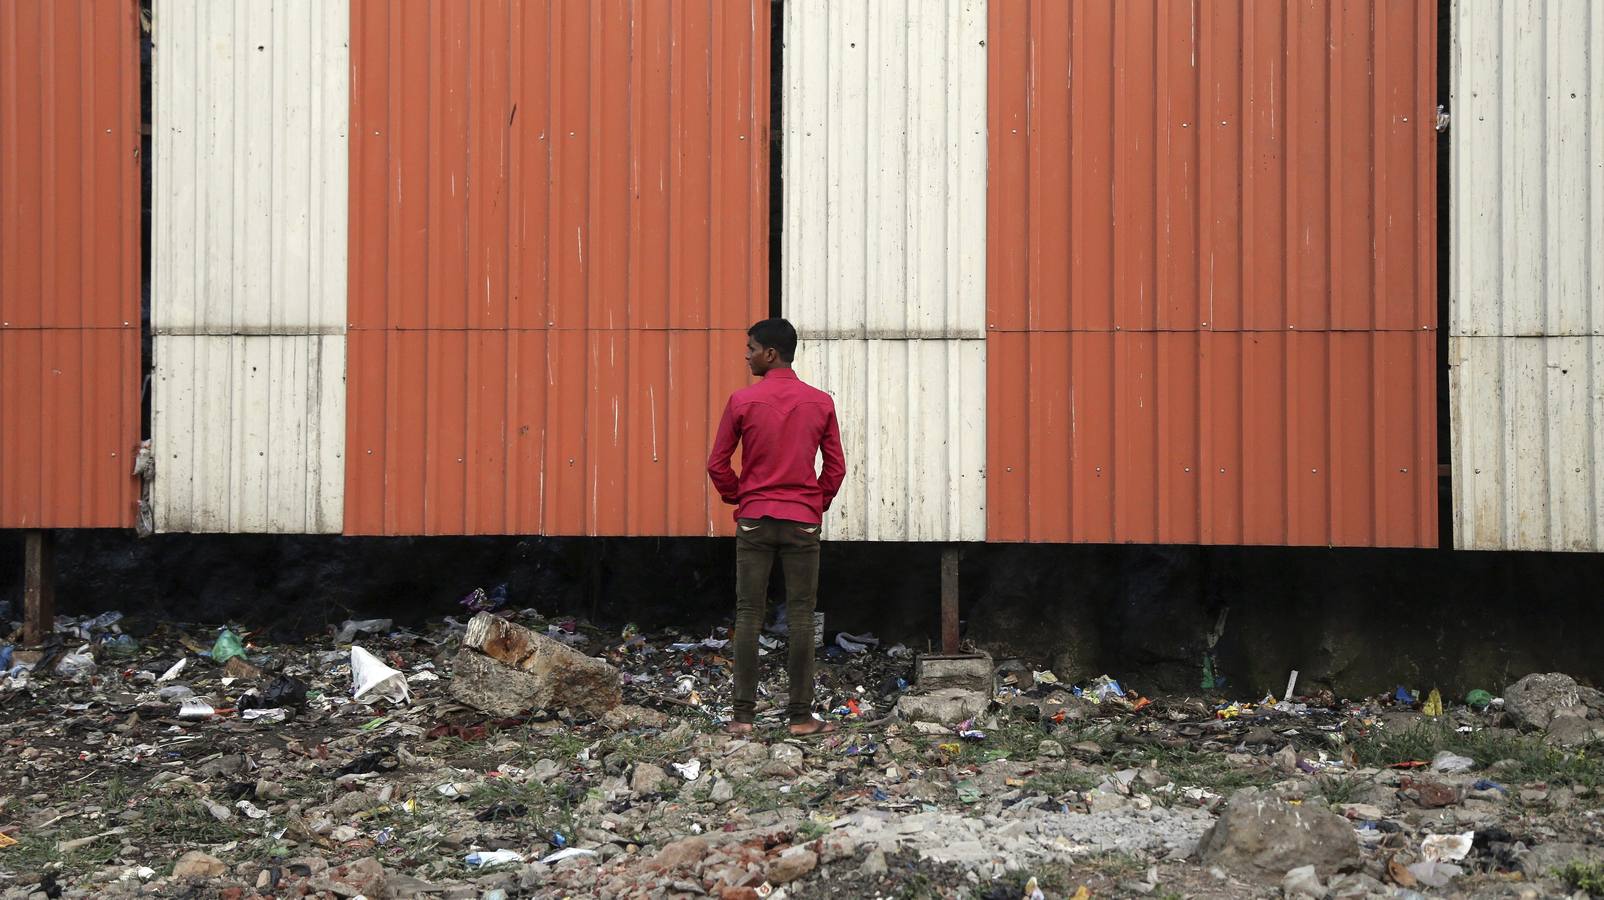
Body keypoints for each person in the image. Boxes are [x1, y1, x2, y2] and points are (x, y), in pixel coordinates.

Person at [707, 318, 846, 736]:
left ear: (770, 354)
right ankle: (801, 718)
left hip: (755, 520)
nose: (746, 355)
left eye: (750, 349)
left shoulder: (742, 401)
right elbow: (836, 468)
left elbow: (717, 463)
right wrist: (814, 502)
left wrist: (740, 496)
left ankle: (743, 718)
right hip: (802, 521)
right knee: (802, 617)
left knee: (749, 614)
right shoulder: (820, 402)